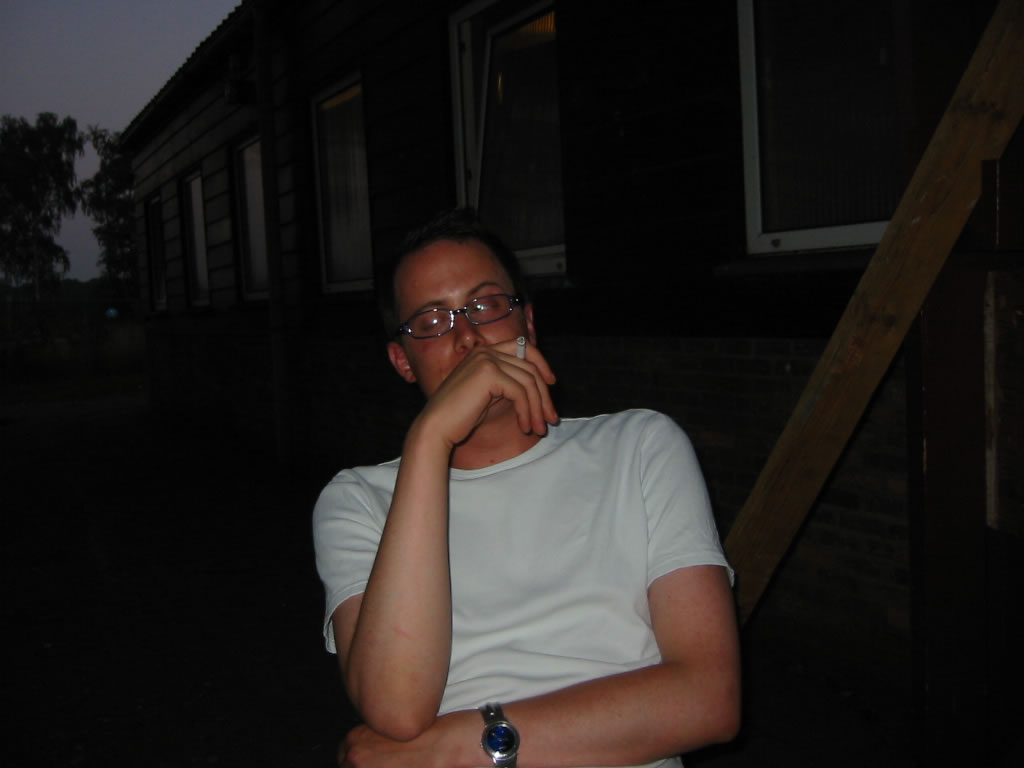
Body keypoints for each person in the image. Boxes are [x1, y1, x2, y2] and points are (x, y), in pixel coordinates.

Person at [313, 208, 740, 768]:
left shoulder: (640, 446)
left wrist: (466, 747)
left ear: (528, 325)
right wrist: (430, 440)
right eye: (432, 320)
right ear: (403, 361)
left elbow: (709, 699)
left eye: (486, 305)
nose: (467, 337)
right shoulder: (357, 501)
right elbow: (395, 709)